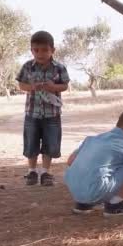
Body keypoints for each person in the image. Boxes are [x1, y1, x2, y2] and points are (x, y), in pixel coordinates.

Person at [16, 31, 70, 186]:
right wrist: (31, 87)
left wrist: (54, 87)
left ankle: (46, 172)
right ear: (31, 50)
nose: (40, 53)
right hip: (32, 113)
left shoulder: (59, 68)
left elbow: (65, 85)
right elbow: (21, 84)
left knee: (50, 143)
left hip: (52, 114)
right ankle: (31, 171)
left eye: (45, 50)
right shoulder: (27, 67)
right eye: (36, 50)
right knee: (31, 142)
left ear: (52, 50)